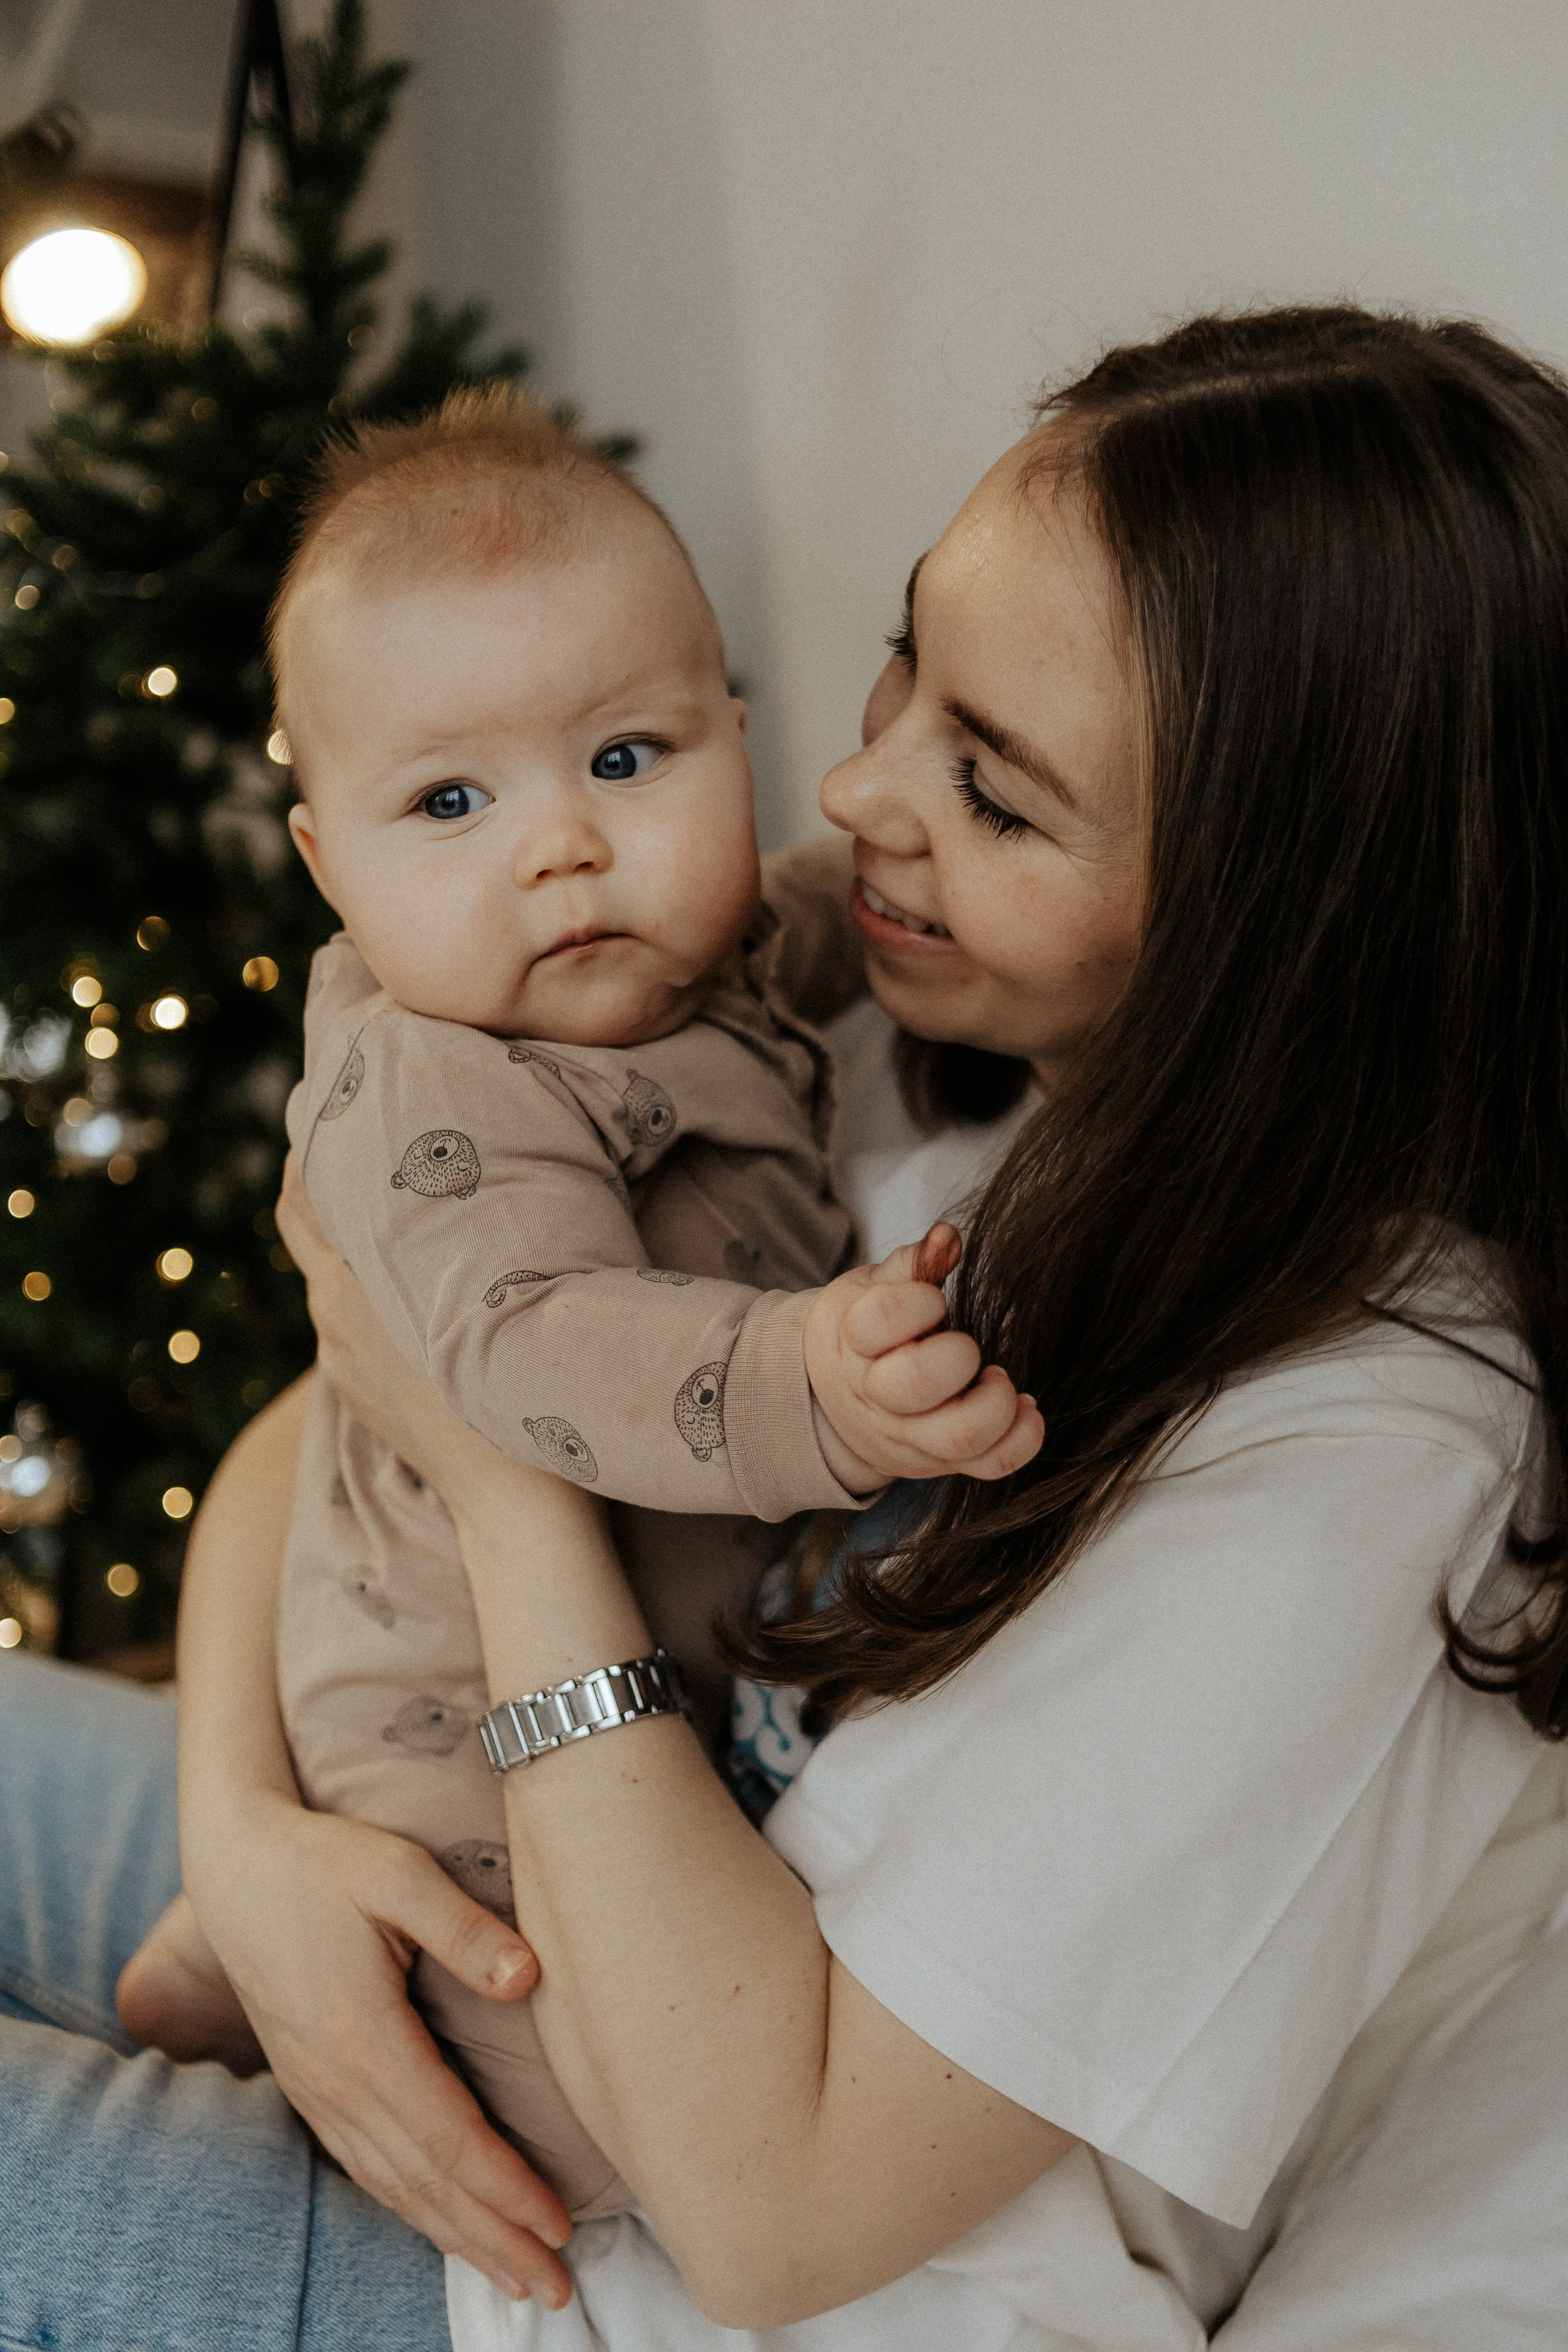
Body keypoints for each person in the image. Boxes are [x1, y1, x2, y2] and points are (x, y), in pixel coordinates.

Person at [7, 303, 1568, 2351]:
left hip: (594, 2276)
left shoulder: (1363, 1452)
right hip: (426, 1866)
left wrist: (502, 1481)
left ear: (1281, 920)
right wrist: (256, 1846)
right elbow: (335, 1407)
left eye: (996, 795)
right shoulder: (901, 1037)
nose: (853, 786)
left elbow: (768, 2219)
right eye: (911, 665)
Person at [122, 384, 1038, 2218]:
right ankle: (262, 1984)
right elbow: (528, 1348)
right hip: (453, 1711)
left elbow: (808, 908)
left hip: (645, 1670)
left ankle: (205, 1953)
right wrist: (810, 1387)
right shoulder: (444, 1087)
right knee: (567, 2093)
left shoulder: (707, 955)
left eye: (628, 758)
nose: (561, 846)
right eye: (451, 801)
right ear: (330, 866)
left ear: (736, 739)